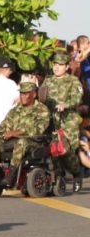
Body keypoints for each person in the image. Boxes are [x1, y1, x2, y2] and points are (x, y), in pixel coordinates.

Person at [0, 81, 50, 189]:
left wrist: (17, 132)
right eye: (21, 93)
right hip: (12, 142)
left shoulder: (42, 110)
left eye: (26, 93)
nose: (23, 96)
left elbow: (39, 129)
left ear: (34, 94)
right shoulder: (15, 110)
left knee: (21, 142)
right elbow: (4, 127)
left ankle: (11, 175)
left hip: (33, 142)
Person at [39, 50, 83, 192]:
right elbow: (42, 97)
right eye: (55, 64)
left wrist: (65, 105)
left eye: (60, 64)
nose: (56, 67)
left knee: (66, 151)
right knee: (53, 151)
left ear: (67, 66)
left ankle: (77, 174)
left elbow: (77, 98)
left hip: (68, 120)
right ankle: (59, 178)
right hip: (51, 120)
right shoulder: (48, 80)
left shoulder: (73, 81)